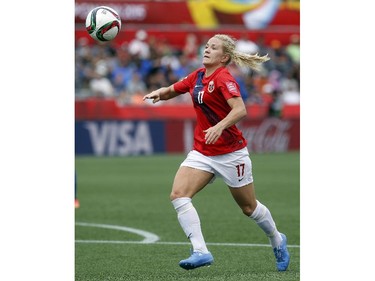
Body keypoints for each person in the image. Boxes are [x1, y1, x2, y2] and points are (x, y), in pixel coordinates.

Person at [143, 34, 290, 271]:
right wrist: (160, 93)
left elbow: (240, 109)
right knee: (179, 194)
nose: (207, 49)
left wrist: (219, 126)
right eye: (207, 46)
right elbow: (174, 89)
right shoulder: (198, 76)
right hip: (202, 152)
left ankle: (276, 238)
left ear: (224, 58)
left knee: (249, 208)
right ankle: (200, 251)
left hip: (231, 153)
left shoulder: (223, 78)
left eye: (214, 48)